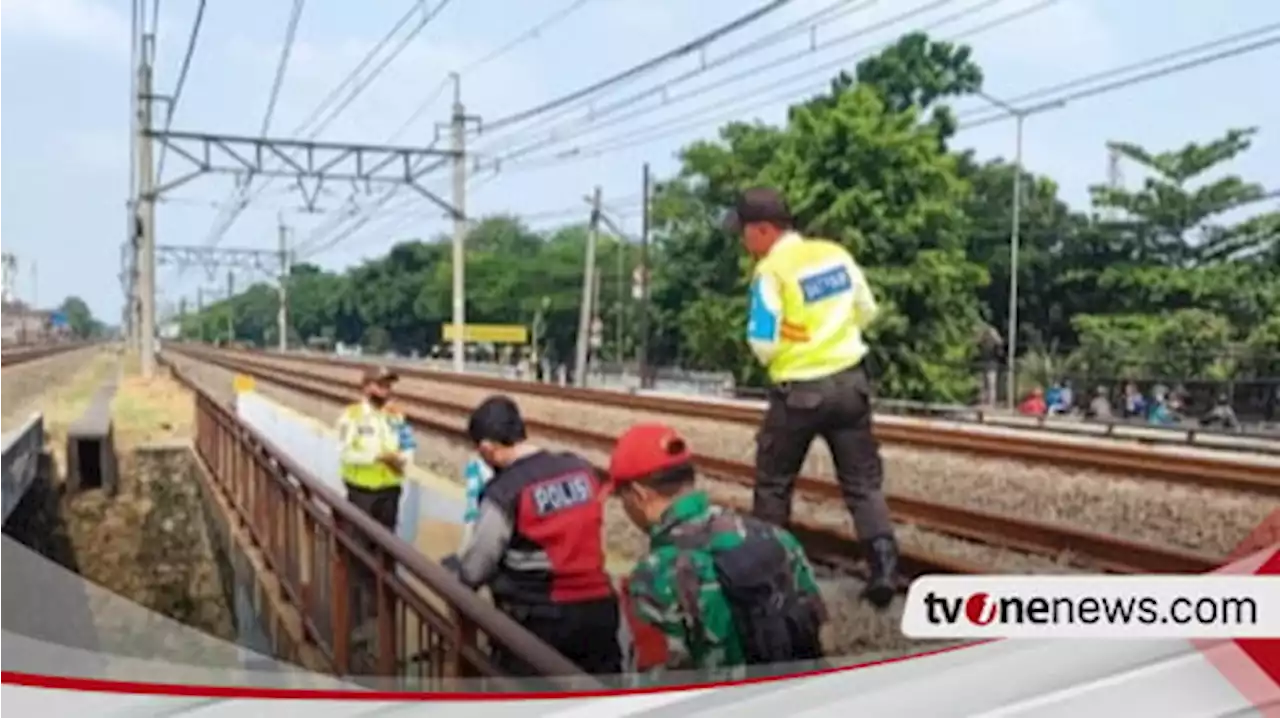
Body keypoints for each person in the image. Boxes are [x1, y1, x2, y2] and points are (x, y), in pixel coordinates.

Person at [725, 186, 899, 608]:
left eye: (745, 233)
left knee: (774, 484)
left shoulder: (772, 272)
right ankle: (884, 570)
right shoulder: (834, 255)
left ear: (763, 230)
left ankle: (772, 578)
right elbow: (868, 311)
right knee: (862, 485)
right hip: (851, 386)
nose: (744, 242)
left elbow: (762, 342)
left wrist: (790, 338)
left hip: (799, 393)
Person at [608, 422, 827, 675]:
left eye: (620, 497)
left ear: (638, 495)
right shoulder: (777, 538)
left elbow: (657, 683)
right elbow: (815, 623)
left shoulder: (654, 576)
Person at [447, 396, 626, 676]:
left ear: (486, 448)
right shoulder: (579, 467)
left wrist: (459, 579)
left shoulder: (504, 491)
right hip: (600, 610)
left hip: (540, 620)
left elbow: (479, 563)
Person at [337, 366, 411, 531]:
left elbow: (408, 444)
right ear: (366, 387)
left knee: (387, 546)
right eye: (380, 385)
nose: (385, 390)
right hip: (362, 492)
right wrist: (377, 457)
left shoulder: (397, 416)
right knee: (360, 544)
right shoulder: (351, 416)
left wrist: (403, 461)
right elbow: (345, 453)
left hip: (390, 491)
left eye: (388, 386)